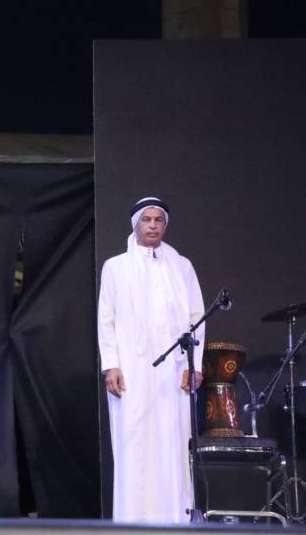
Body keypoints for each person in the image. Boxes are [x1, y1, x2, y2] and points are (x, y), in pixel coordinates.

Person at [97, 197, 205, 523]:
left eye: (159, 220)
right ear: (136, 225)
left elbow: (197, 318)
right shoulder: (115, 267)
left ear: (165, 225)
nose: (153, 225)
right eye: (147, 220)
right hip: (131, 369)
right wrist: (111, 364)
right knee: (134, 444)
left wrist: (195, 366)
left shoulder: (182, 266)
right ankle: (132, 521)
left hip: (174, 372)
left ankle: (175, 520)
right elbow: (106, 319)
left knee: (172, 442)